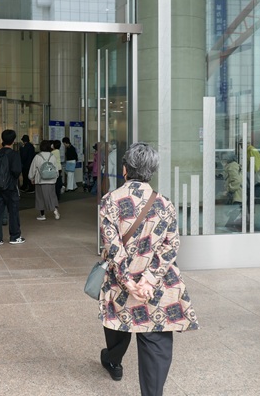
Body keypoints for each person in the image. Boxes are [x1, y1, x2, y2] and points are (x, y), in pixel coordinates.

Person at [98, 142, 199, 394]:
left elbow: (113, 247)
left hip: (121, 286)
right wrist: (148, 280)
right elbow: (171, 245)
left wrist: (128, 282)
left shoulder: (110, 201)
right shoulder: (165, 203)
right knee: (156, 340)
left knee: (118, 327)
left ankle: (113, 360)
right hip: (157, 288)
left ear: (124, 169)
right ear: (151, 171)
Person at [0, 129, 24, 246]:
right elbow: (16, 171)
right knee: (13, 212)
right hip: (10, 187)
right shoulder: (14, 154)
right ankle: (14, 236)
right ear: (13, 141)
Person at [28, 139, 60, 221]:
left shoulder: (38, 156)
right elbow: (55, 168)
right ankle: (55, 209)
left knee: (40, 198)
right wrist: (56, 177)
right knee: (52, 196)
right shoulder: (52, 156)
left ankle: (42, 215)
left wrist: (31, 178)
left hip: (40, 180)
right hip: (51, 180)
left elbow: (33, 168)